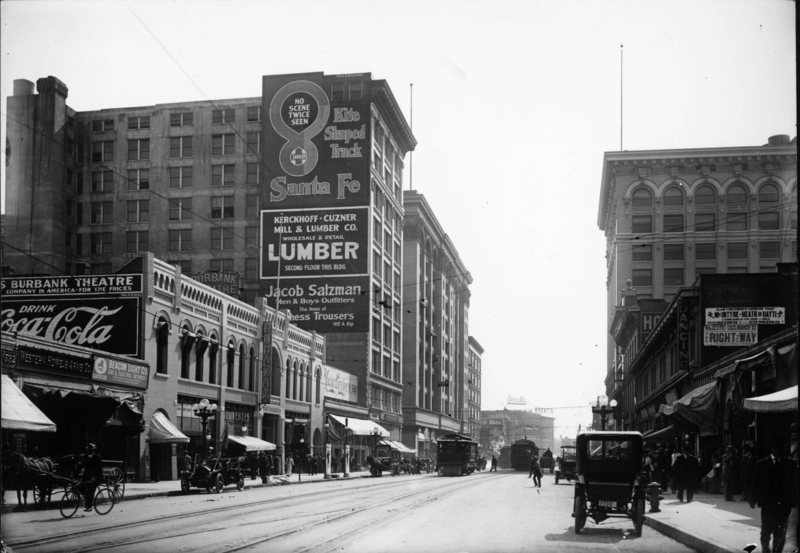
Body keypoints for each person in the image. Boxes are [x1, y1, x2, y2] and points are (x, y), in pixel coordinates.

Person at [749, 438, 795, 553]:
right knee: (766, 530)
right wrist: (752, 499)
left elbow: (794, 483)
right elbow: (755, 483)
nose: (778, 450)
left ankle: (777, 551)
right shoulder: (761, 464)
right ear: (771, 449)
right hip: (767, 504)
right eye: (776, 448)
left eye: (780, 448)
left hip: (784, 504)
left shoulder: (790, 464)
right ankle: (765, 550)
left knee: (780, 532)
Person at [80, 443, 103, 511]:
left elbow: (99, 469)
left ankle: (89, 506)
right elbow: (81, 466)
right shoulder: (85, 457)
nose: (90, 451)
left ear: (93, 450)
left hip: (95, 479)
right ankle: (88, 500)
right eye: (89, 450)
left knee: (90, 491)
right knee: (81, 488)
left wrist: (95, 478)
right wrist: (74, 474)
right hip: (87, 477)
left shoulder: (97, 458)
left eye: (91, 450)